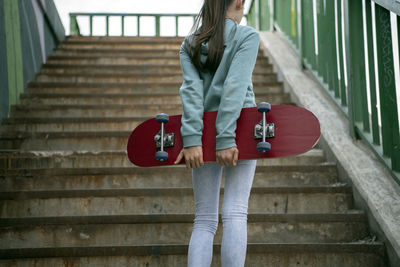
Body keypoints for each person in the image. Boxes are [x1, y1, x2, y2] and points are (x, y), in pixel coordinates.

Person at [173, 0, 260, 266]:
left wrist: (191, 140)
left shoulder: (190, 44)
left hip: (203, 136)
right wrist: (226, 138)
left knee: (204, 219)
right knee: (235, 213)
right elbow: (235, 86)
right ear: (238, 2)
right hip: (241, 131)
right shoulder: (247, 36)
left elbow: (191, 93)